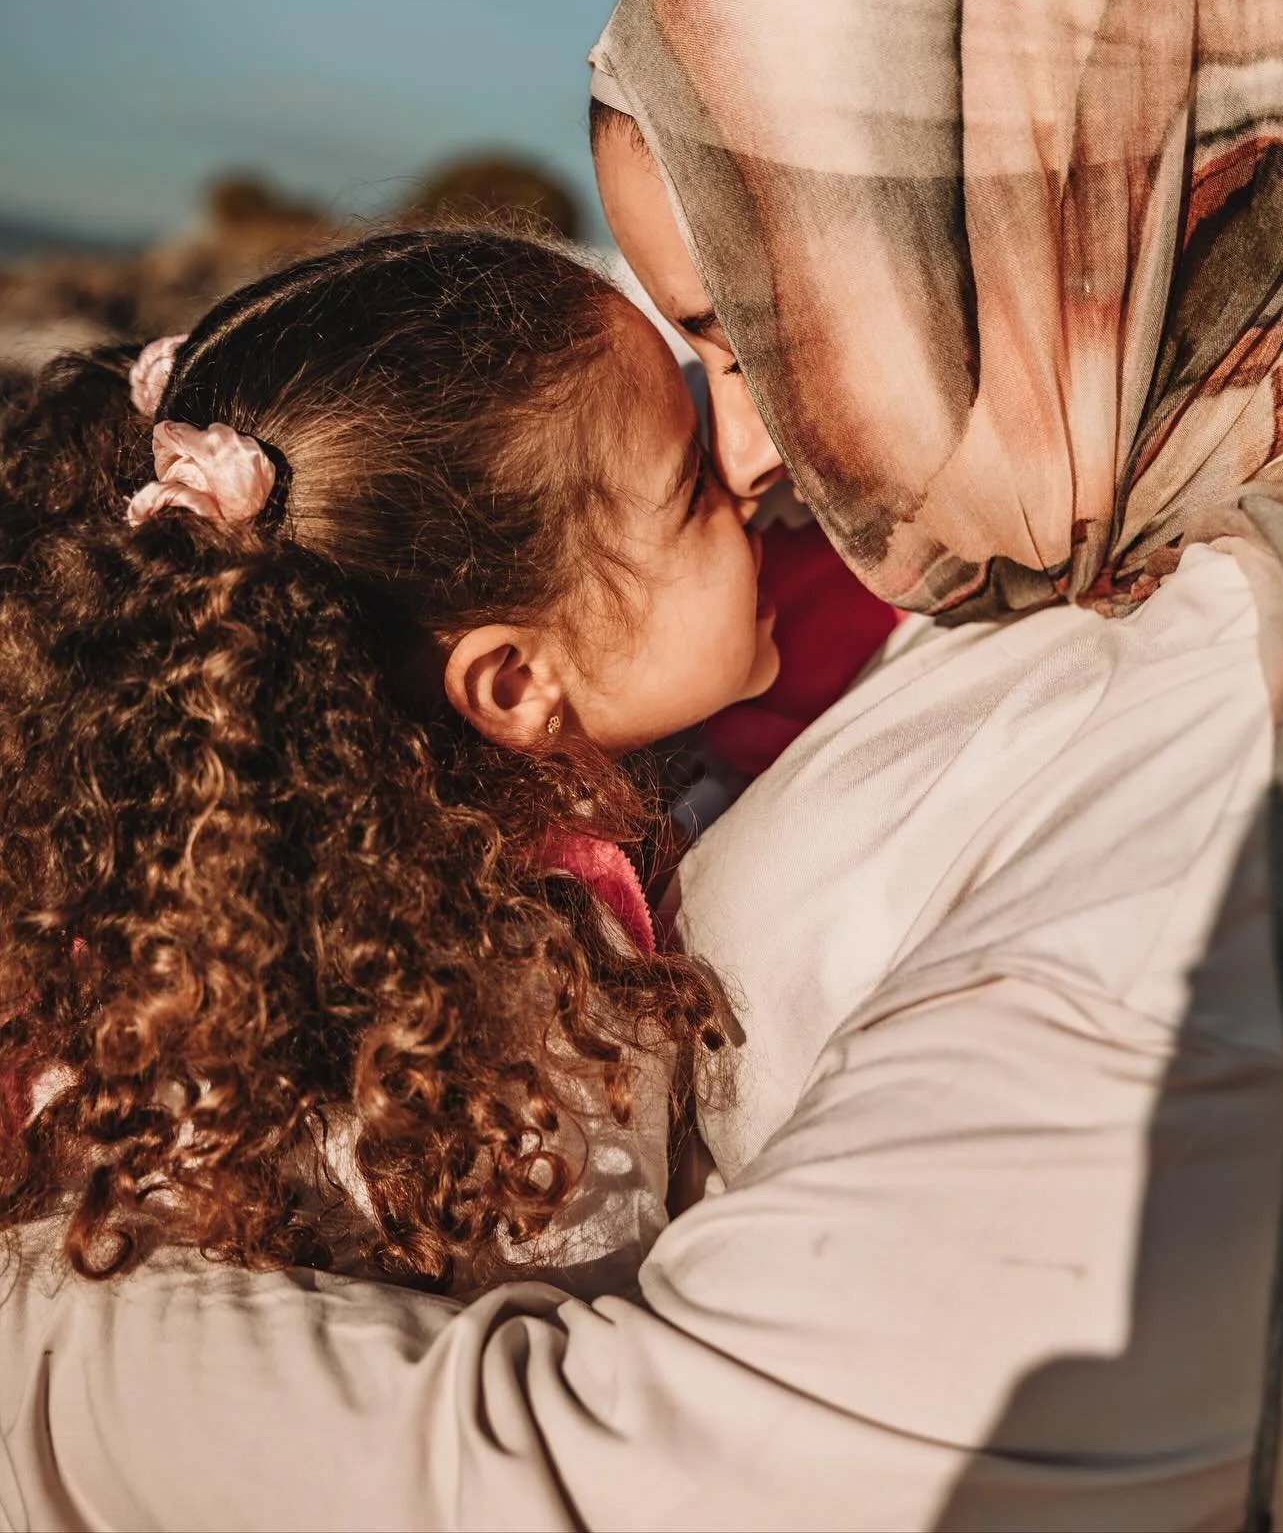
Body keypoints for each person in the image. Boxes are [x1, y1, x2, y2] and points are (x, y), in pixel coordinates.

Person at [4, 0, 1283, 1533]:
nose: (758, 455)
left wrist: (44, 1347)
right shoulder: (1124, 501)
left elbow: (673, 1481)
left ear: (1080, 219)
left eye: (766, 334)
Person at [0, 224, 783, 1305]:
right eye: (693, 485)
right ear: (512, 685)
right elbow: (578, 1313)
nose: (753, 472)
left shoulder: (268, 902)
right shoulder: (521, 1001)